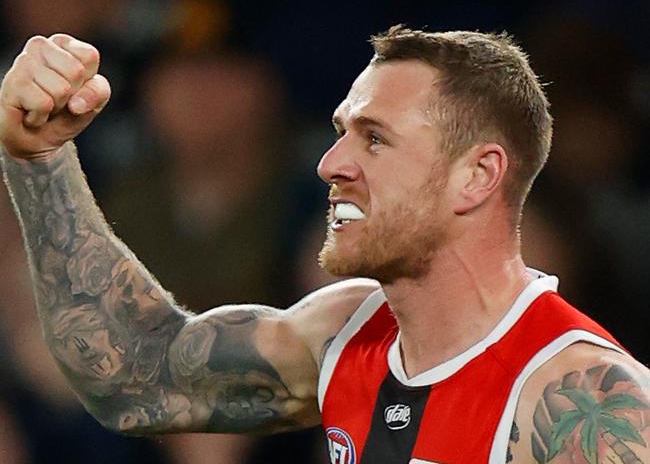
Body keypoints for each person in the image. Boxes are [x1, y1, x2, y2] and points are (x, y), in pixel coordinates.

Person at [0, 27, 648, 464]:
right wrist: (38, 156)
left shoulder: (585, 402)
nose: (331, 162)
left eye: (374, 138)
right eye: (340, 131)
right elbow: (135, 374)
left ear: (477, 175)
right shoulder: (342, 330)